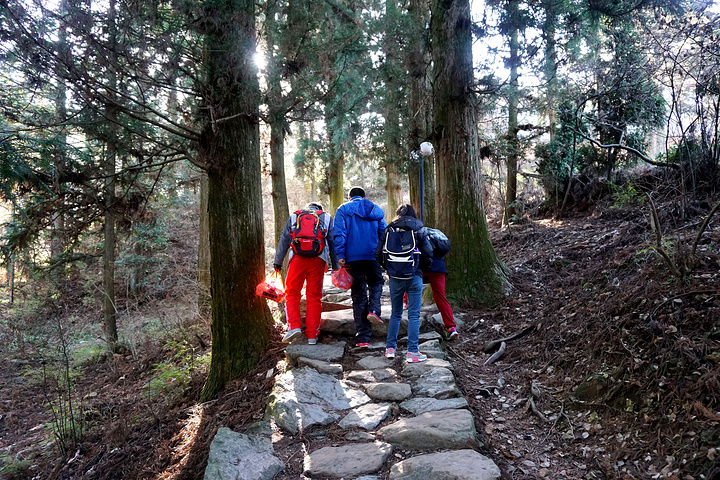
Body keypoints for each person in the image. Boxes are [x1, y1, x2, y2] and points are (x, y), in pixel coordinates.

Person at [376, 204, 433, 363]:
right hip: (414, 276)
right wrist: (422, 270)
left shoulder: (389, 229)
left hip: (395, 277)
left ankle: (390, 349)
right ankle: (412, 352)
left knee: (396, 313)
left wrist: (388, 269)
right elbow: (428, 252)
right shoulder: (419, 228)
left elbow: (377, 253)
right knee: (414, 314)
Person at [274, 202, 338, 344]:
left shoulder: (295, 216)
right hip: (318, 259)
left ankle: (294, 326)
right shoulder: (326, 218)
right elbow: (332, 242)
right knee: (314, 297)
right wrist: (335, 265)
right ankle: (312, 335)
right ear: (320, 210)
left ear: (307, 209)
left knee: (292, 293)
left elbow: (285, 239)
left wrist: (277, 261)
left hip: (297, 259)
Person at [333, 186, 387, 348]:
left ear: (350, 197)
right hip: (373, 256)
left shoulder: (343, 209)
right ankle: (374, 310)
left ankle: (363, 338)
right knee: (377, 283)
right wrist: (382, 254)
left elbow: (339, 233)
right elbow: (383, 233)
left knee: (358, 295)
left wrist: (340, 255)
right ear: (364, 196)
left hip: (352, 258)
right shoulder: (375, 209)